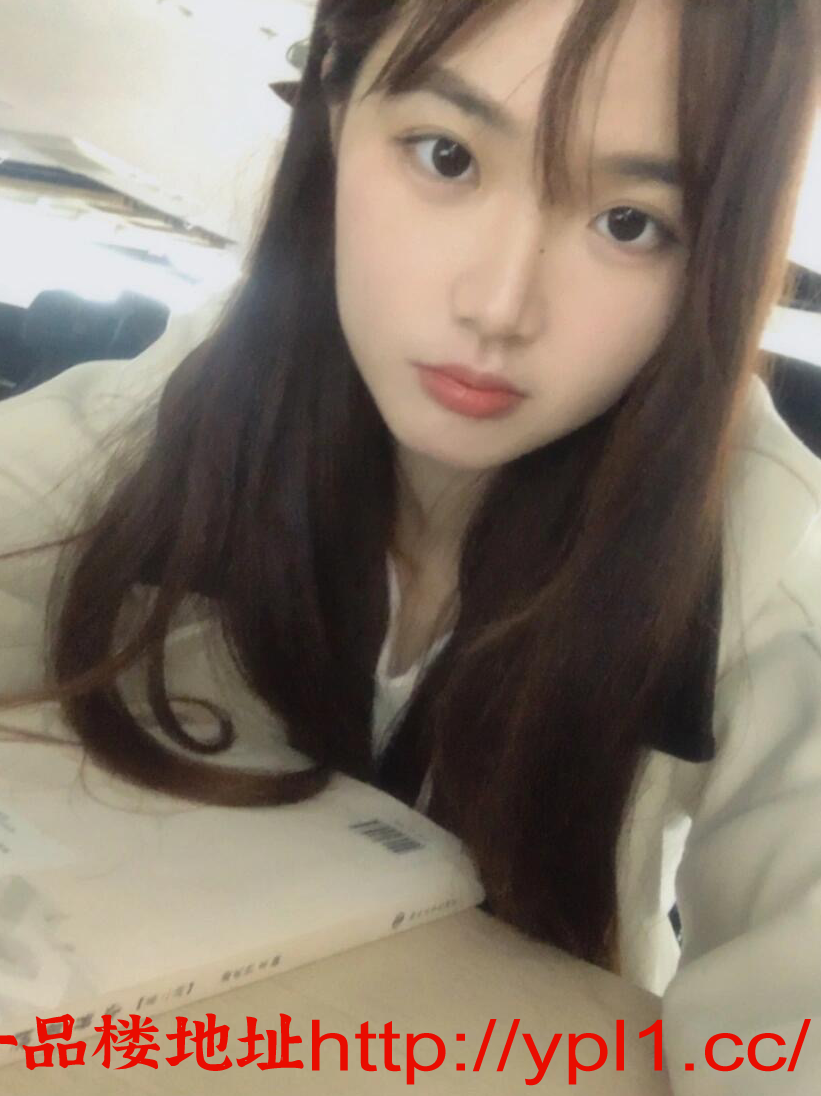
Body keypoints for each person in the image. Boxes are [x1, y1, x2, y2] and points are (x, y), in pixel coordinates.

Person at [1, 0, 819, 1090]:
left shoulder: (768, 562)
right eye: (446, 156)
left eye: (630, 222)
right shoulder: (218, 386)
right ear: (337, 102)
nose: (498, 305)